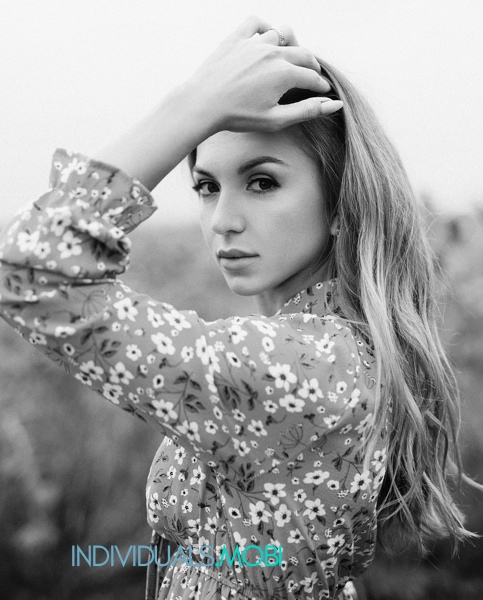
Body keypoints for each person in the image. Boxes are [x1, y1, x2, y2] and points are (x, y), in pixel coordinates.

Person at [0, 16, 474, 600]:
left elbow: (31, 270)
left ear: (339, 204)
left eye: (262, 182)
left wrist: (192, 106)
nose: (222, 220)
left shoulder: (297, 365)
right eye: (206, 186)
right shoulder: (337, 350)